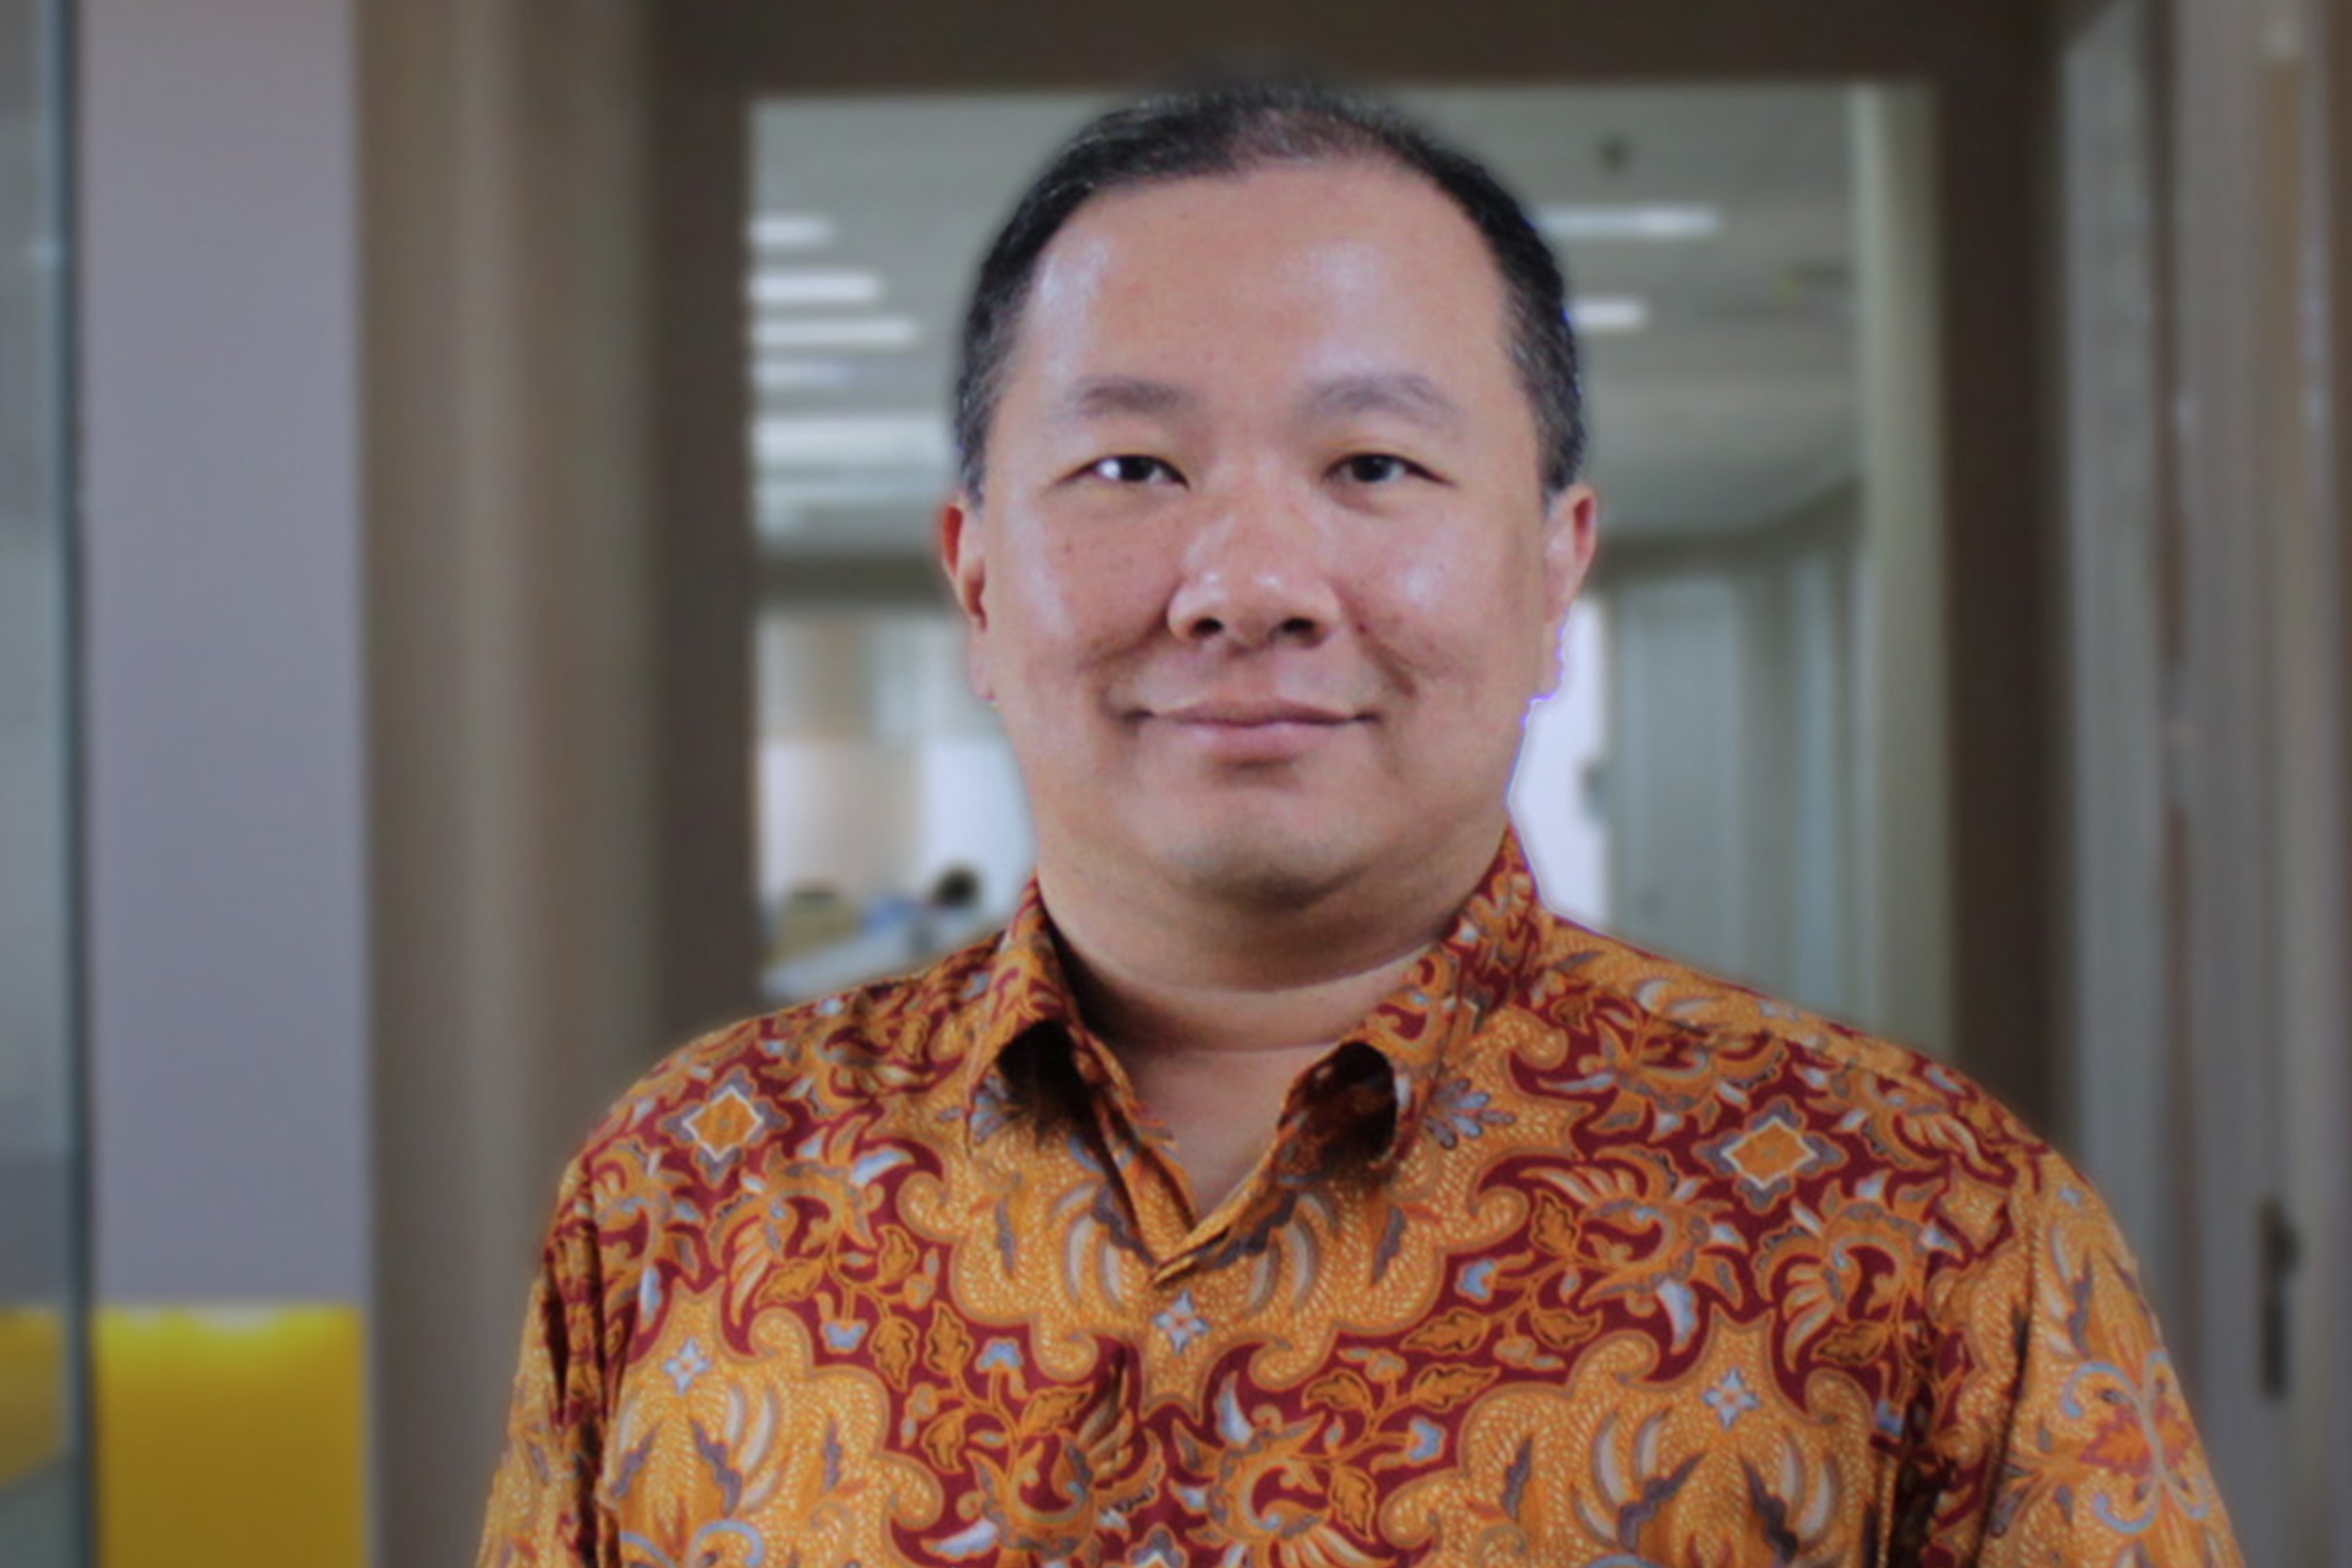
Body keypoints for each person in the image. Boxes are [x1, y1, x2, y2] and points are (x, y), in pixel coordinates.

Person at [478, 81, 2241, 1567]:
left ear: (1555, 571)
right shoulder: (685, 1194)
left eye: (1374, 467)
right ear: (977, 578)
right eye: (1131, 469)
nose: (1248, 586)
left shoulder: (1929, 1231)